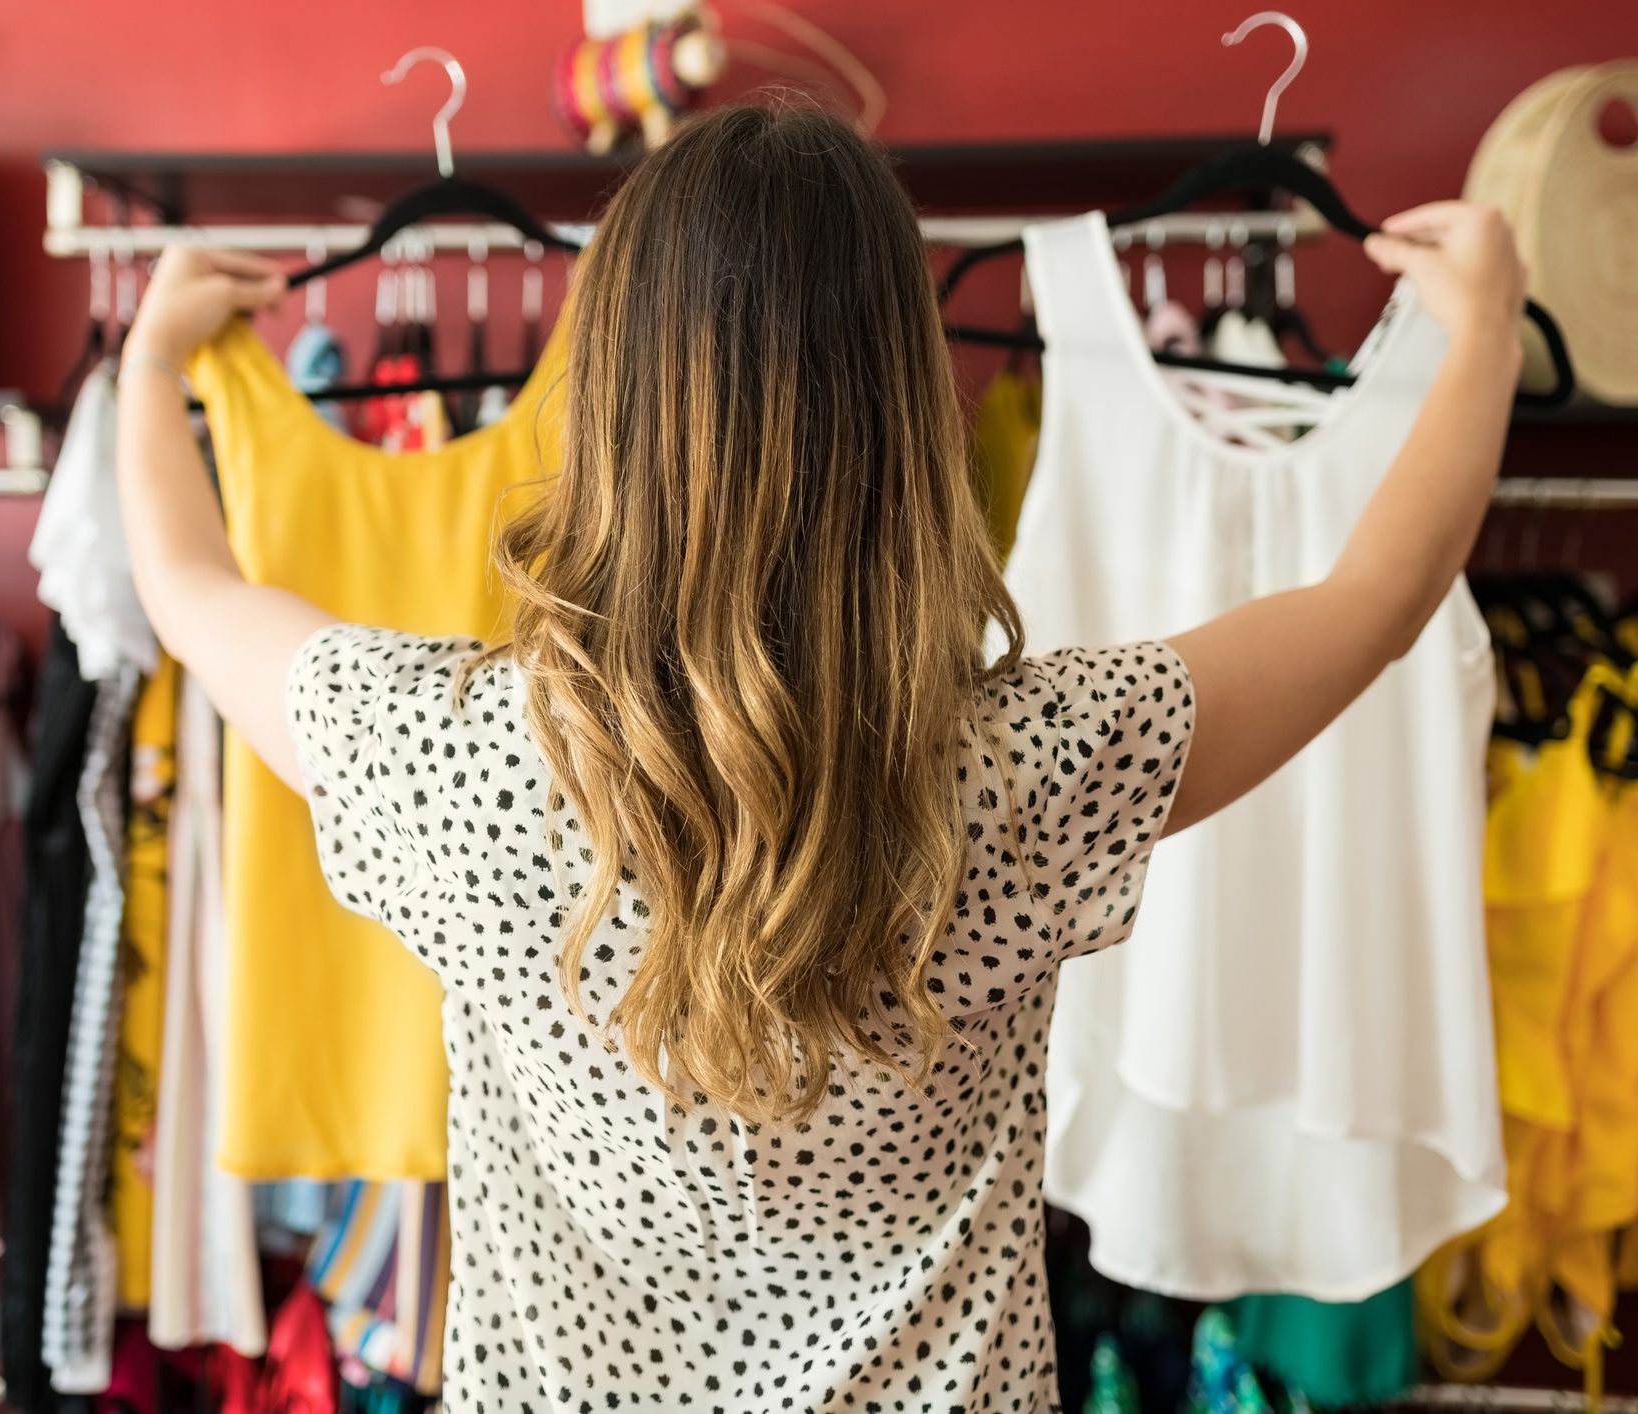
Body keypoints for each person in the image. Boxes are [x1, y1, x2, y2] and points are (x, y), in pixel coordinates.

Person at [117, 104, 1525, 1413]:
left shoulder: (468, 759)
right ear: (907, 410)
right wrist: (1482, 337)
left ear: (606, 402)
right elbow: (1372, 604)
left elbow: (188, 586)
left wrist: (153, 362)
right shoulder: (1023, 774)